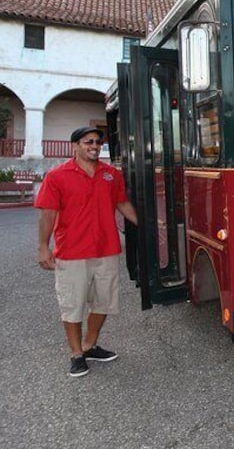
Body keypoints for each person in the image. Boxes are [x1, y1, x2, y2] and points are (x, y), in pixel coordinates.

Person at [35, 126, 137, 378]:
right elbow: (48, 213)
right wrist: (43, 248)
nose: (94, 145)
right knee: (73, 306)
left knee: (103, 303)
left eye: (97, 142)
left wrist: (145, 226)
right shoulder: (57, 176)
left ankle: (89, 345)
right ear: (75, 146)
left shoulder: (111, 174)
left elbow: (121, 202)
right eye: (88, 141)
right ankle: (75, 353)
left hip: (106, 250)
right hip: (72, 253)